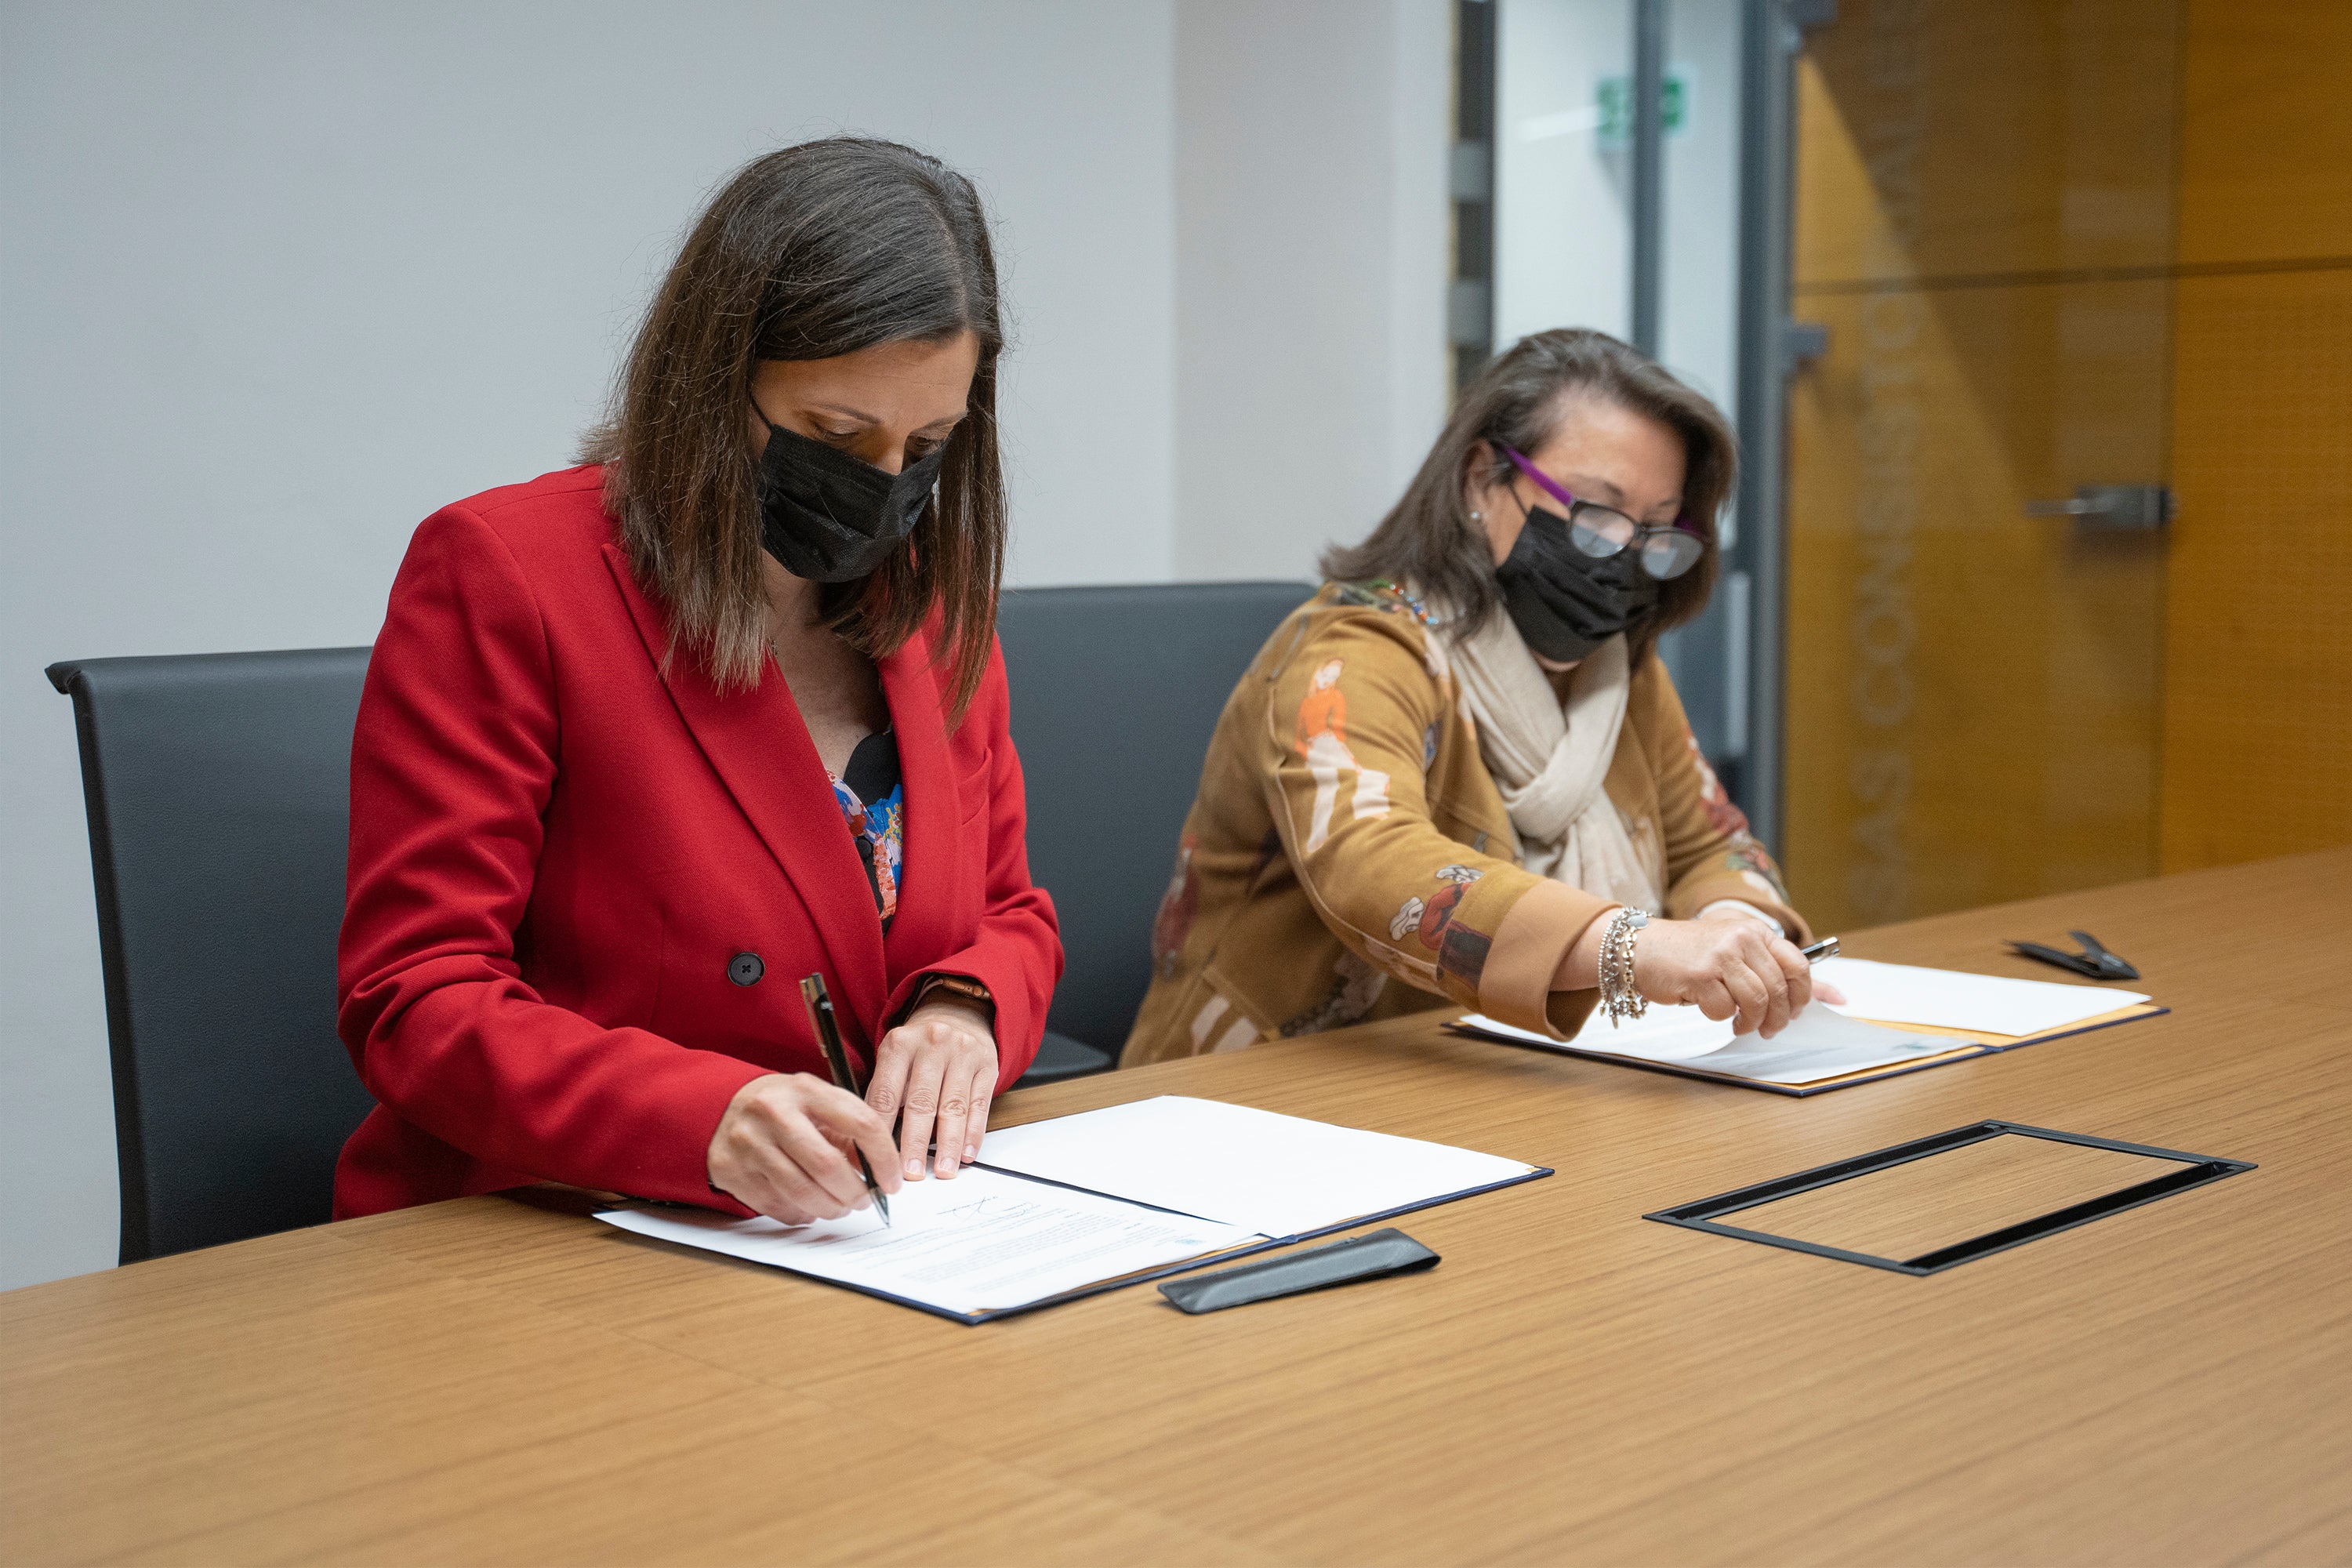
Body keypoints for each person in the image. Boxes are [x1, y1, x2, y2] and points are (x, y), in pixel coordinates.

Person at [334, 139, 1060, 1227]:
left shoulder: (932, 604)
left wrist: (964, 1007)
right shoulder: (508, 573)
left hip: (856, 1240)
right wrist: (698, 1117)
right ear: (715, 380)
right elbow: (415, 994)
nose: (880, 487)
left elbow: (1009, 913)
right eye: (834, 434)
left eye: (928, 446)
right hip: (549, 1229)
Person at [1124, 328, 1831, 1065]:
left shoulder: (1618, 672)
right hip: (1271, 1086)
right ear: (1481, 480)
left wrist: (1731, 932)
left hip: (1519, 1072)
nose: (1624, 554)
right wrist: (1635, 946)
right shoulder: (1353, 652)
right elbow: (1374, 863)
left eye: (1656, 531)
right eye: (1595, 514)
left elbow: (1711, 843)